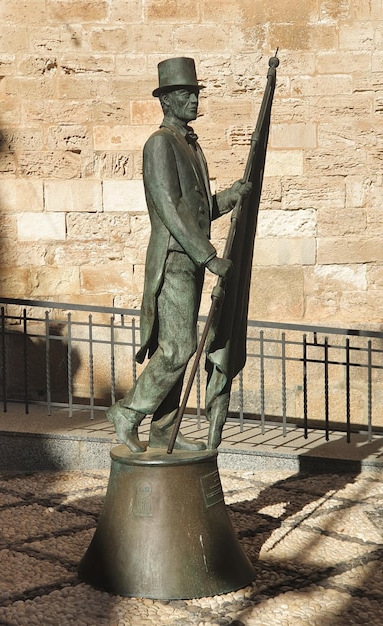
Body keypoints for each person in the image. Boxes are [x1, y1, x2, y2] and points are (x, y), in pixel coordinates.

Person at [107, 57, 251, 453]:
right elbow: (169, 208)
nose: (194, 99)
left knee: (178, 344)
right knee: (178, 347)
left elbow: (198, 207)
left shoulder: (190, 145)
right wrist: (208, 256)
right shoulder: (159, 144)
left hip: (190, 260)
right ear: (167, 101)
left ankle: (163, 429)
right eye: (186, 94)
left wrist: (230, 197)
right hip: (174, 259)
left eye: (195, 93)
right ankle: (129, 413)